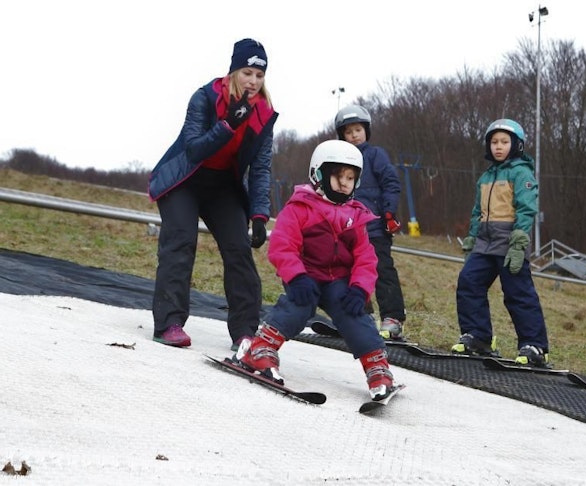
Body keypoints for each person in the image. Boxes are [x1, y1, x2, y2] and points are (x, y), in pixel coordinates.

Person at [233, 139, 398, 400]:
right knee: (299, 307)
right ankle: (260, 349)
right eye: (338, 176)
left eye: (351, 178)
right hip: (305, 277)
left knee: (353, 314)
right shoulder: (301, 207)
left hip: (339, 281)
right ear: (318, 174)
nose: (345, 183)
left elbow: (366, 258)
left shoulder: (356, 216)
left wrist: (359, 289)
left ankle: (377, 366)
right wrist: (296, 276)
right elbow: (282, 245)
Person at [147, 38, 277, 350]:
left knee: (238, 251)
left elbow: (260, 168)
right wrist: (229, 124)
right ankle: (169, 323)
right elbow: (194, 148)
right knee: (181, 242)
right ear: (234, 72)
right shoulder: (205, 97)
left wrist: (260, 214)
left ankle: (245, 334)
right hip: (184, 179)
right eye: (247, 73)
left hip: (222, 186)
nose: (253, 81)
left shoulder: (264, 114)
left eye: (259, 76)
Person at [453, 119, 552, 368]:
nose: (498, 147)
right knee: (469, 282)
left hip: (510, 243)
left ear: (516, 145)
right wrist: (471, 239)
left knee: (518, 293)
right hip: (485, 243)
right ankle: (478, 336)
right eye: (494, 142)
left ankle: (534, 346)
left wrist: (519, 243)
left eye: (504, 142)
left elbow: (527, 208)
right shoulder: (486, 176)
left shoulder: (521, 172)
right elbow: (478, 210)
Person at [332, 105, 407, 341]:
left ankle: (392, 318)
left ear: (366, 131)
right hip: (348, 231)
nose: (354, 135)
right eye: (348, 132)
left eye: (358, 130)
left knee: (382, 270)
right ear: (341, 136)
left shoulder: (375, 155)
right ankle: (360, 317)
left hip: (374, 227)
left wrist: (388, 212)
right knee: (350, 273)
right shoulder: (338, 161)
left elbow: (391, 184)